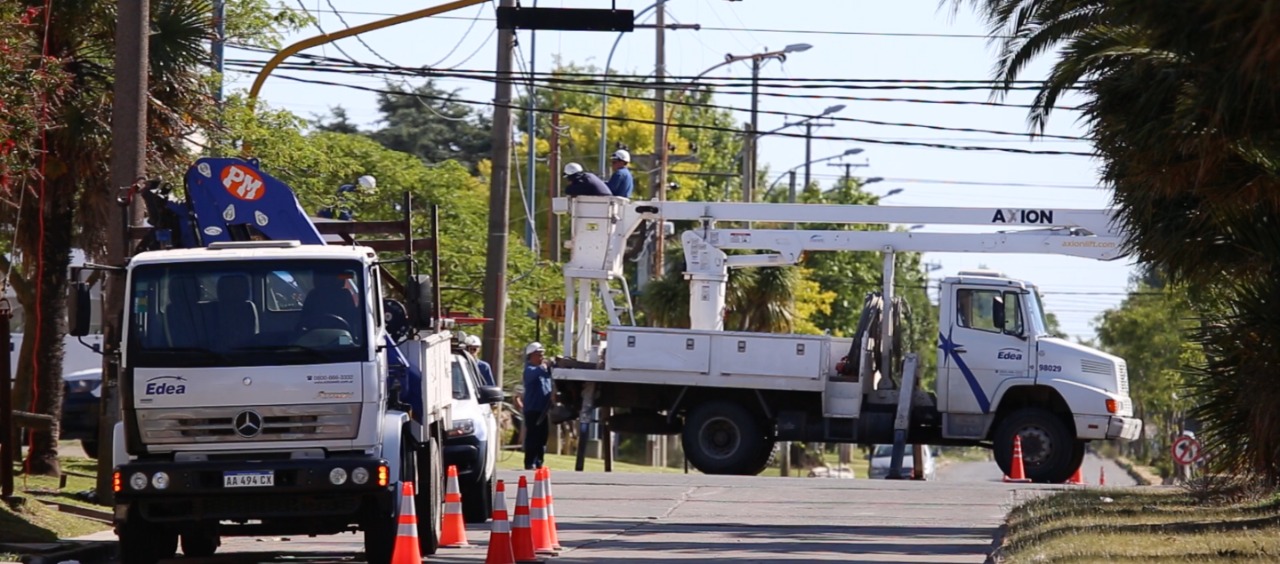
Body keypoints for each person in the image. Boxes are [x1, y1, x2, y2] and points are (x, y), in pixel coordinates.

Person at [522, 341, 554, 470]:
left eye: (542, 355)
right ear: (531, 356)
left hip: (543, 410)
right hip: (532, 409)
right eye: (539, 355)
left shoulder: (544, 371)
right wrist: (545, 366)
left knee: (542, 437)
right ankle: (530, 462)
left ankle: (539, 461)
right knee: (533, 436)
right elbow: (536, 373)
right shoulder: (529, 370)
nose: (541, 358)